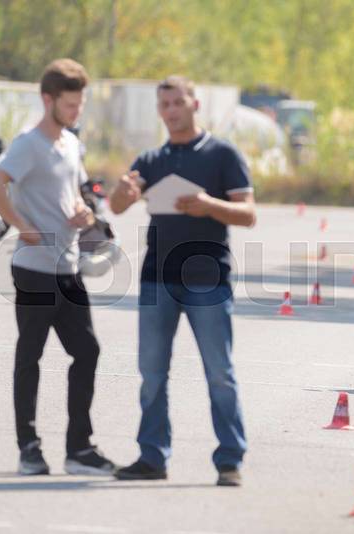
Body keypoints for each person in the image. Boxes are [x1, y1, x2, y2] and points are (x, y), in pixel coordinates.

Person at [109, 75, 256, 486]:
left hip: (208, 279)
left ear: (195, 104)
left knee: (219, 373)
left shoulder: (222, 154)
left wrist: (209, 205)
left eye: (178, 102)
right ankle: (152, 457)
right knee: (152, 374)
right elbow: (117, 207)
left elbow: (248, 213)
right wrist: (123, 192)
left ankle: (230, 460)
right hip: (157, 278)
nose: (171, 111)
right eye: (165, 105)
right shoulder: (151, 159)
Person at [0, 59, 115, 476]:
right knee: (31, 356)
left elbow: (76, 194)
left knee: (87, 351)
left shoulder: (71, 144)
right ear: (48, 99)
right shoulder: (28, 144)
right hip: (34, 268)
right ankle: (29, 448)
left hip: (69, 266)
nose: (76, 111)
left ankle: (79, 450)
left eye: (80, 104)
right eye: (70, 105)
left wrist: (84, 213)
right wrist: (21, 226)